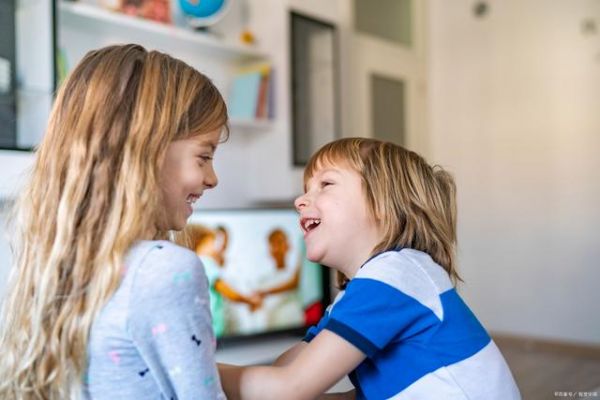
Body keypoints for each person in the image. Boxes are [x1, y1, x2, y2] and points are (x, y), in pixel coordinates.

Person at [0, 44, 229, 399]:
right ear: (148, 150)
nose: (212, 178)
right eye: (203, 157)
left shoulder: (57, 265)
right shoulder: (162, 270)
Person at [219, 138, 521, 399]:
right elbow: (287, 373)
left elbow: (287, 387)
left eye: (325, 184)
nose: (300, 200)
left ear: (382, 204)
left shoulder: (395, 275)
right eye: (306, 189)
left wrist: (198, 367)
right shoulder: (361, 294)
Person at [183, 224, 262, 337]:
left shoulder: (191, 263)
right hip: (214, 328)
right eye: (212, 243)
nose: (215, 248)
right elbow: (228, 292)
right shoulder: (207, 263)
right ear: (200, 242)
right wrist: (249, 300)